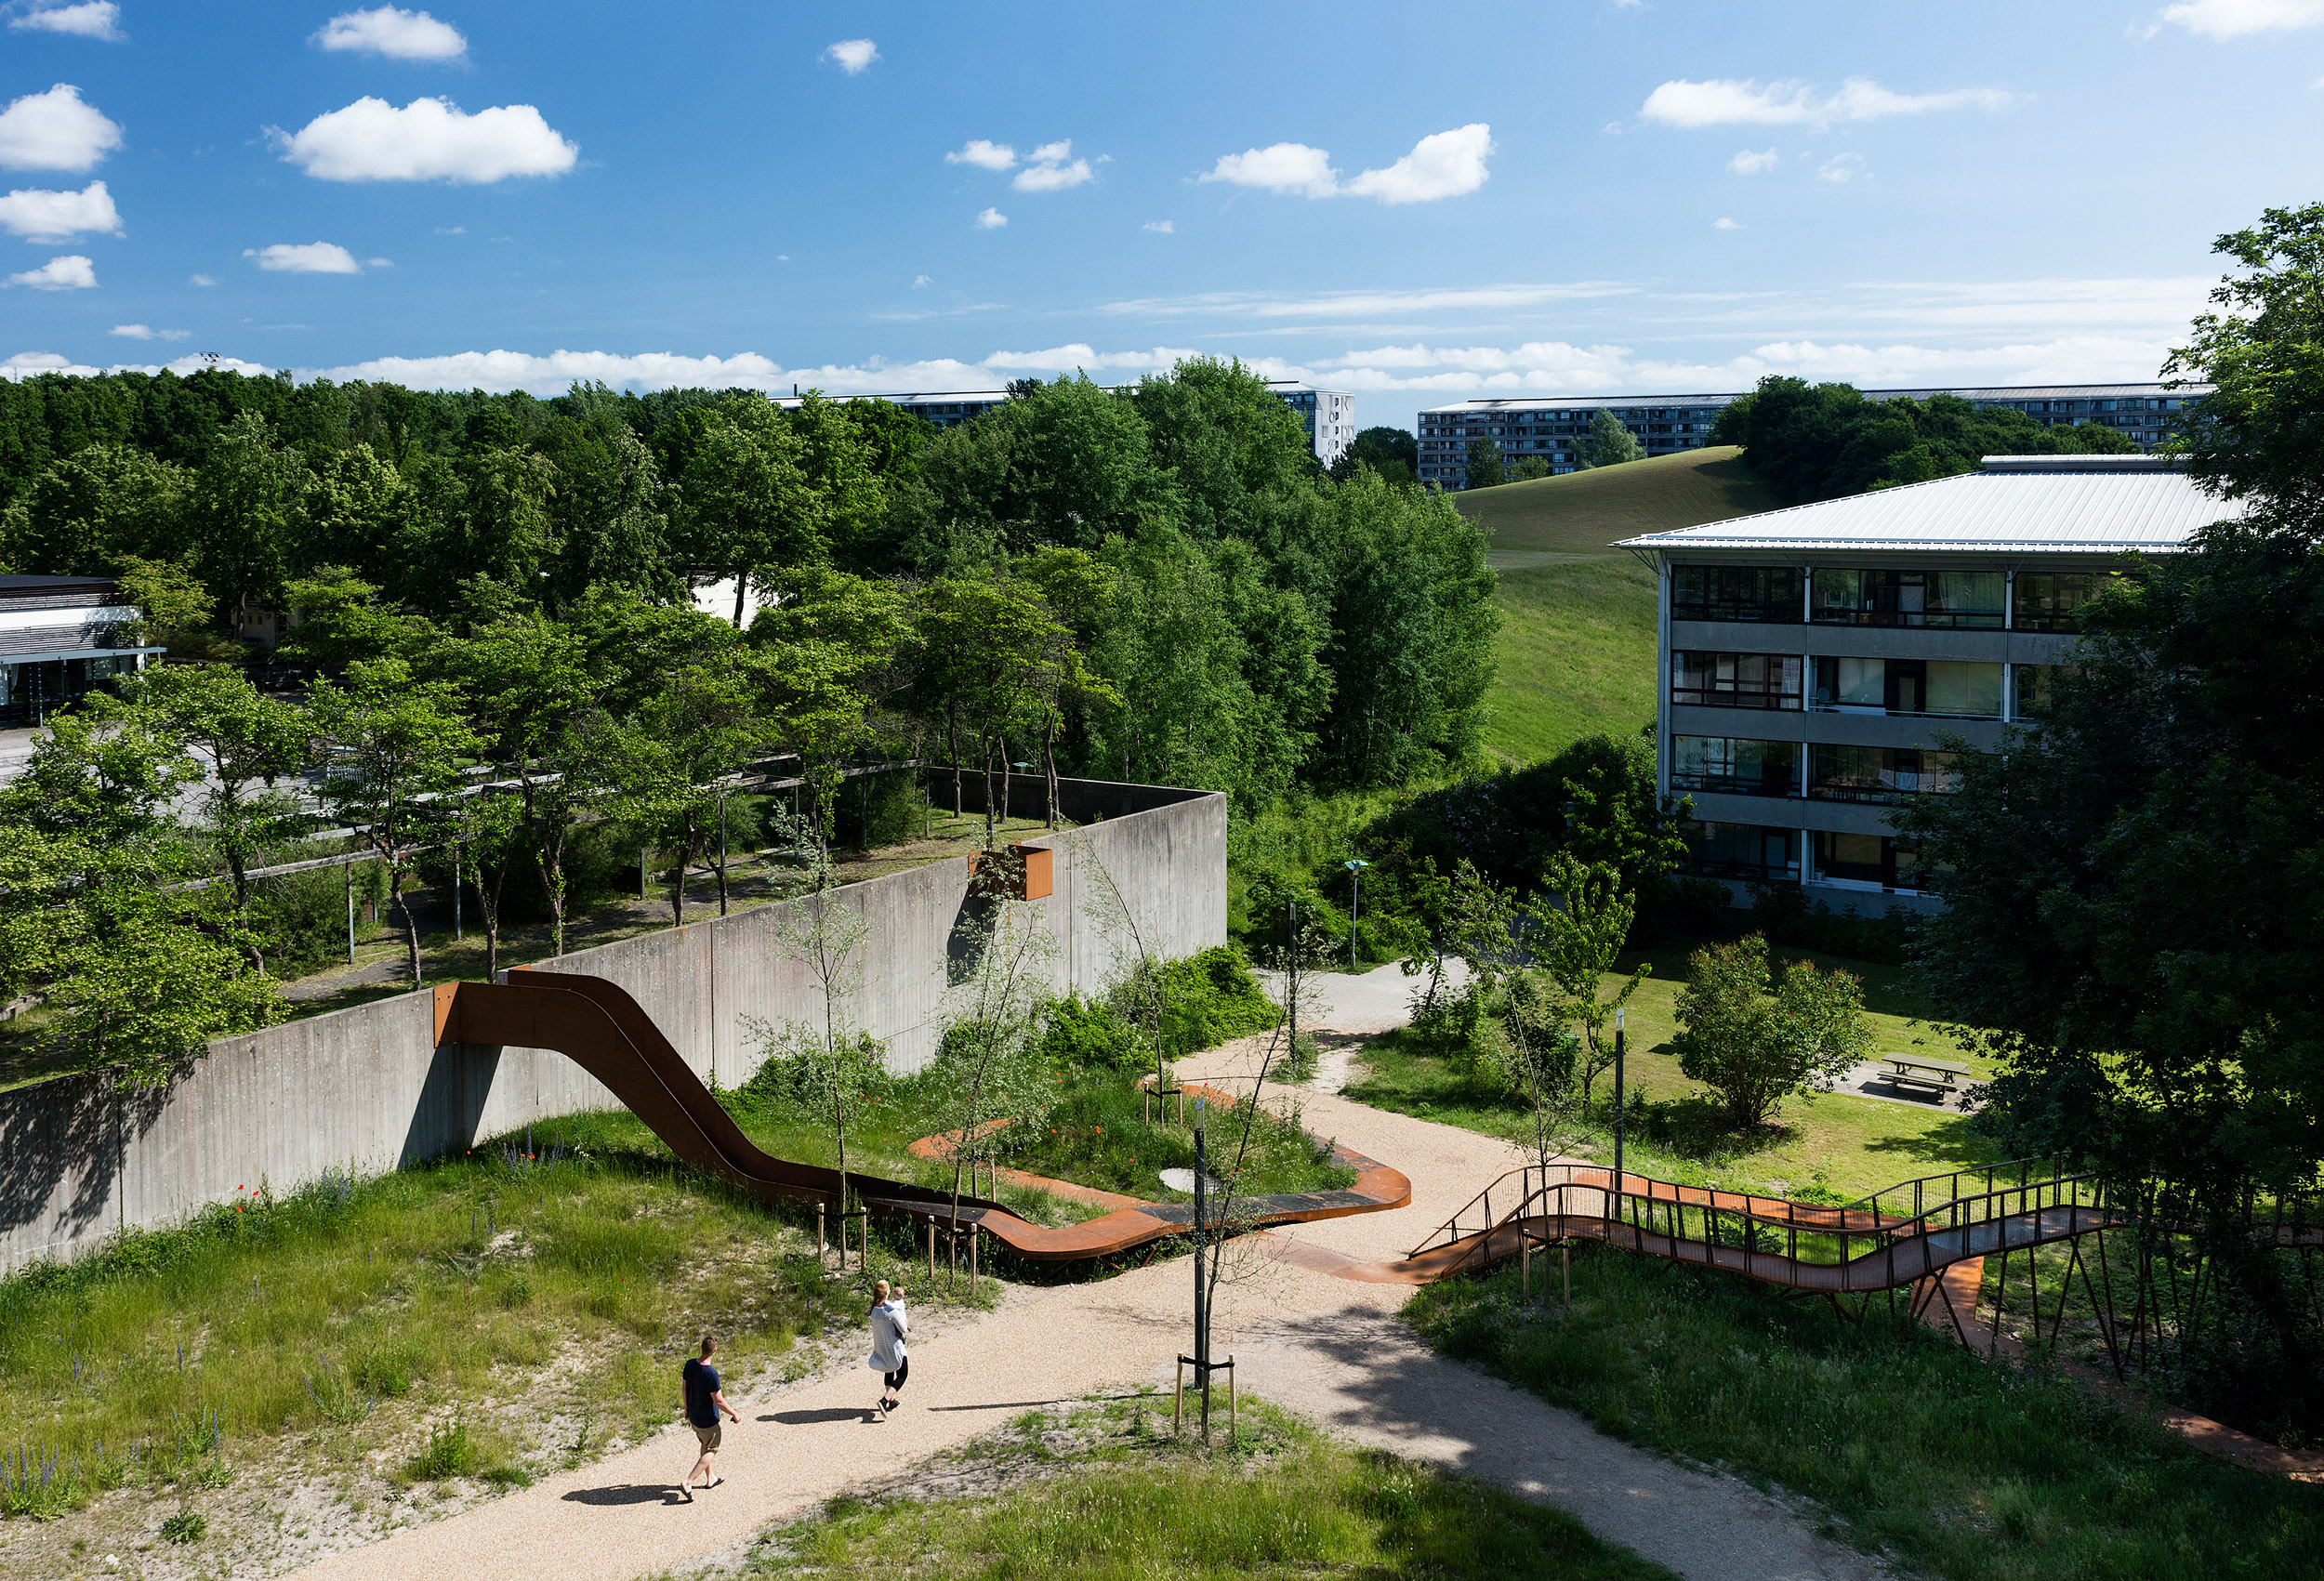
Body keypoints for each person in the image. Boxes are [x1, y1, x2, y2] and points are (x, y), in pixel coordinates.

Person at [680, 1332, 738, 1500]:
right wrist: (734, 1413)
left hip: (694, 1416)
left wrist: (686, 1409)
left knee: (705, 1445)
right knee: (712, 1448)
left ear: (702, 1348)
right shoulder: (711, 1373)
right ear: (714, 1351)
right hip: (708, 1420)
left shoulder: (690, 1364)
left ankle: (710, 1478)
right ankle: (689, 1481)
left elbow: (684, 1388)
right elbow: (718, 1400)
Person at [866, 1279, 909, 1420]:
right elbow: (903, 1329)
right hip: (895, 1348)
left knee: (889, 1371)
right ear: (887, 1293)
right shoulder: (891, 1312)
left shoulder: (874, 1311)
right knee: (902, 1374)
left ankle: (891, 1401)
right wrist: (905, 1322)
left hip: (881, 1347)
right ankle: (884, 1400)